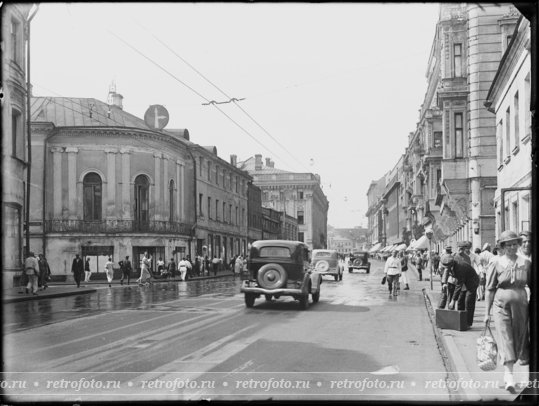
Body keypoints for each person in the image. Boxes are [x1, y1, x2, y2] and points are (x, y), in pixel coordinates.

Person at [484, 230, 530, 392]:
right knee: (506, 338)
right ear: (502, 247)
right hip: (500, 305)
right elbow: (489, 289)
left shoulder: (525, 263)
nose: (512, 247)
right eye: (508, 245)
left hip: (522, 306)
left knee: (519, 337)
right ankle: (509, 377)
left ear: (518, 245)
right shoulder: (496, 263)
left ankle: (515, 375)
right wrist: (486, 313)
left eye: (514, 244)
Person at [440, 253, 480, 328]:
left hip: (472, 282)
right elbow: (446, 271)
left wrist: (453, 300)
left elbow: (458, 286)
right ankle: (460, 320)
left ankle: (468, 323)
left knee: (468, 301)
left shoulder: (460, 267)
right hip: (464, 281)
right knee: (461, 300)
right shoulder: (450, 262)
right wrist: (444, 283)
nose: (446, 268)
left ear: (451, 264)